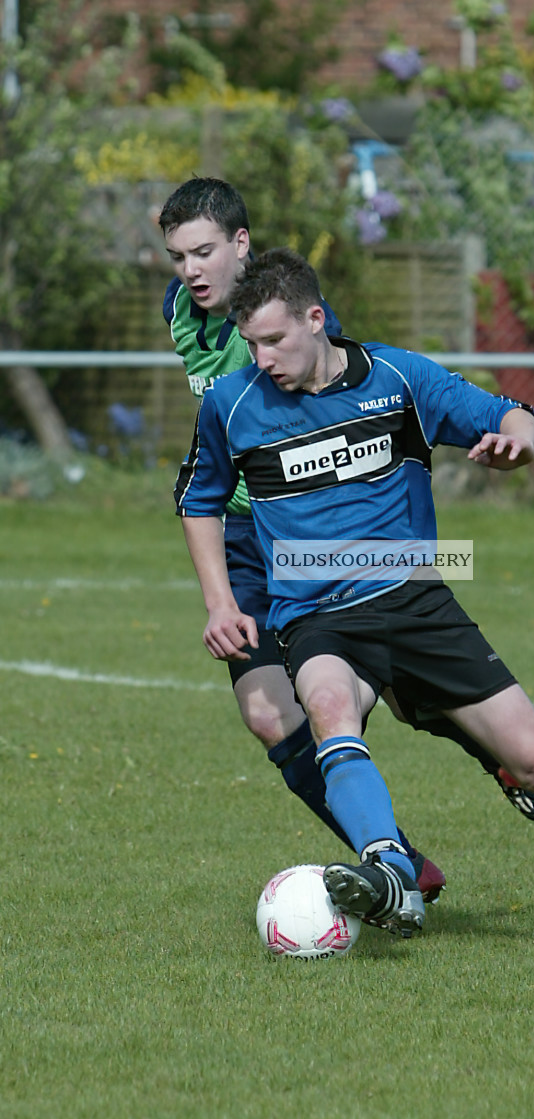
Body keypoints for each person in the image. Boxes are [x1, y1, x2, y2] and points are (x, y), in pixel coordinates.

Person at [175, 247, 534, 948]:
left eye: (275, 339)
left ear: (316, 320)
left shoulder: (399, 377)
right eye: (250, 343)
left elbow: (511, 412)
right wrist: (220, 603)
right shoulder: (234, 405)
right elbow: (199, 501)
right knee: (328, 705)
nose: (261, 359)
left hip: (417, 607)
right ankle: (388, 870)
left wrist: (517, 444)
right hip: (316, 618)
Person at [158, 178, 451, 903]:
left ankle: (503, 755)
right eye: (176, 257)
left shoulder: (298, 328)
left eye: (202, 252)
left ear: (240, 244)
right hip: (240, 536)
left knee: (396, 698)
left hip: (314, 533)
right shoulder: (180, 315)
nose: (190, 271)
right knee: (267, 714)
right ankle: (393, 861)